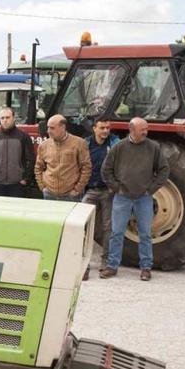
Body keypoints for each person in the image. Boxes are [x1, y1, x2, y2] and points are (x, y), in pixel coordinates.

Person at [100, 117, 169, 281]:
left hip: (143, 198)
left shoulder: (153, 148)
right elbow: (106, 170)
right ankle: (112, 266)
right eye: (142, 129)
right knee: (116, 233)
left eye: (146, 129)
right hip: (122, 198)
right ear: (132, 130)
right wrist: (117, 188)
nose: (146, 132)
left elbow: (164, 170)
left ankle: (146, 268)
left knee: (145, 234)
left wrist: (151, 189)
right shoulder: (119, 147)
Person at [81, 117, 120, 280]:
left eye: (108, 128)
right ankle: (84, 265)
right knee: (82, 225)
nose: (105, 131)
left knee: (108, 228)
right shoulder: (86, 144)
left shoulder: (114, 144)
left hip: (108, 191)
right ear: (94, 129)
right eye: (102, 128)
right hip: (90, 190)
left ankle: (106, 263)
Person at [35, 115, 92, 201]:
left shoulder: (79, 143)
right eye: (48, 128)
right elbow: (38, 168)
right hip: (49, 194)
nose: (48, 131)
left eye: (52, 128)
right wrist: (42, 187)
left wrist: (77, 189)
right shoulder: (44, 146)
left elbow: (86, 167)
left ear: (63, 127)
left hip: (71, 195)